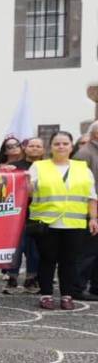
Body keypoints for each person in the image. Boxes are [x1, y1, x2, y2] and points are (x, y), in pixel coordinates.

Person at [28, 131, 98, 310]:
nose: (61, 147)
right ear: (50, 147)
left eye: (65, 143)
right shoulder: (38, 166)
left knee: (70, 261)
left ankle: (66, 295)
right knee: (47, 260)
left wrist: (93, 218)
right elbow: (27, 191)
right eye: (57, 144)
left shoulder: (82, 168)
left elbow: (91, 197)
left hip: (74, 223)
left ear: (71, 146)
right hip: (46, 222)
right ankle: (46, 295)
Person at [3, 136, 47, 294]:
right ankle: (12, 279)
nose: (34, 148)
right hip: (17, 214)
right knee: (17, 247)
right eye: (31, 145)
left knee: (34, 250)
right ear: (25, 148)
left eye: (38, 146)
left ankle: (31, 280)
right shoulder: (14, 166)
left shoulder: (47, 167)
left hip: (39, 213)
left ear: (43, 150)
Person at [74, 123, 98, 299]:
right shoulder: (84, 153)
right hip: (90, 209)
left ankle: (95, 287)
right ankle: (77, 288)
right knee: (87, 253)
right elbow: (80, 186)